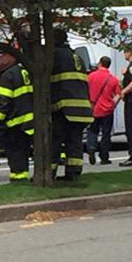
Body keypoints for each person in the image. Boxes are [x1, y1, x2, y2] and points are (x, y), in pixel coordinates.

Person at [51, 28, 93, 181]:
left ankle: (49, 173)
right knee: (74, 142)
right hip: (82, 109)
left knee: (54, 141)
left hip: (64, 107)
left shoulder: (54, 55)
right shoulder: (77, 56)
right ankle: (73, 174)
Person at [0, 47, 34, 182]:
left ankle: (19, 177)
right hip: (32, 119)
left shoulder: (9, 75)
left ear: (12, 57)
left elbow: (4, 100)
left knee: (16, 152)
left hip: (16, 122)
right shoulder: (29, 71)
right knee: (28, 150)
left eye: (4, 56)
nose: (2, 59)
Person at [87, 56, 121, 165]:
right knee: (106, 134)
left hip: (94, 109)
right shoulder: (113, 79)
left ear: (100, 63)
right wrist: (113, 105)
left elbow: (86, 90)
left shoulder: (91, 77)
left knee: (92, 131)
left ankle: (91, 147)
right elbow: (118, 94)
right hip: (107, 110)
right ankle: (104, 157)